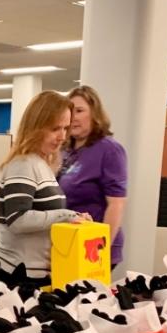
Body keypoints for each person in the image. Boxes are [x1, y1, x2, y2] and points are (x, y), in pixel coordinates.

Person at [0, 91, 89, 283]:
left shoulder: (41, 164)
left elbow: (43, 214)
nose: (62, 136)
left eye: (65, 128)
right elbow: (18, 220)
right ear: (35, 127)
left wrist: (74, 220)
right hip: (18, 273)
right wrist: (67, 216)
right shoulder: (23, 164)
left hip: (36, 272)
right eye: (55, 128)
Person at [59, 86, 127, 270]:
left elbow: (116, 204)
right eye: (70, 111)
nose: (74, 117)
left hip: (93, 246)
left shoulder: (108, 149)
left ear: (95, 114)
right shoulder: (65, 149)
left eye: (80, 111)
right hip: (68, 241)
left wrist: (101, 248)